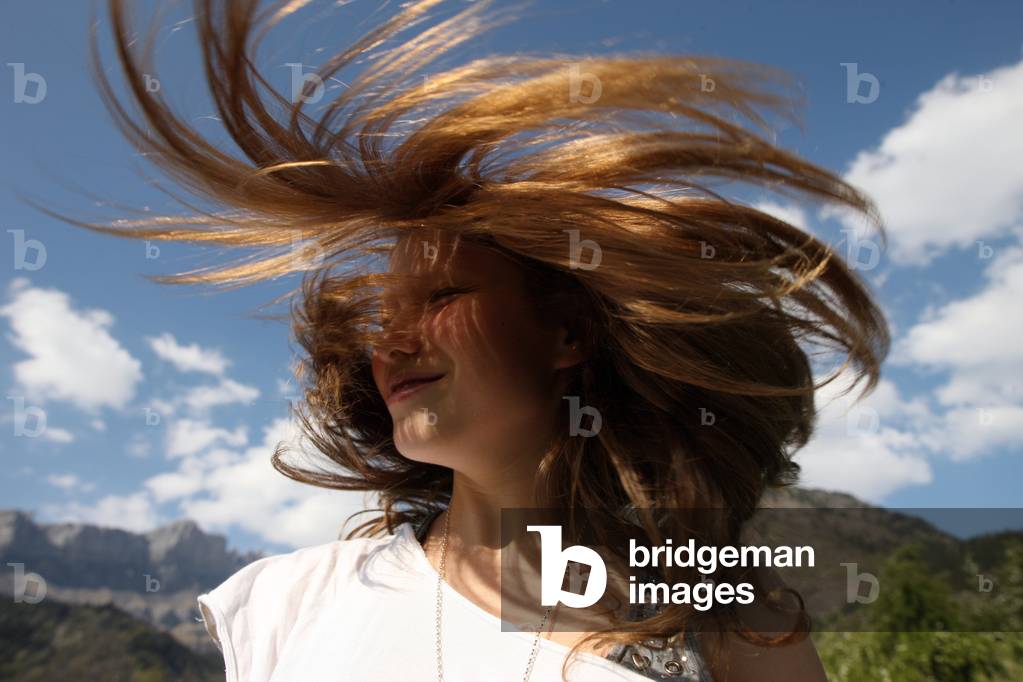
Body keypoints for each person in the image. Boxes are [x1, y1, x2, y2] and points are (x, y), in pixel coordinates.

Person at [60, 0, 891, 679]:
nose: (390, 344)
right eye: (385, 317)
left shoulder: (729, 621)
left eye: (442, 296)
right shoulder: (284, 604)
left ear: (566, 330)